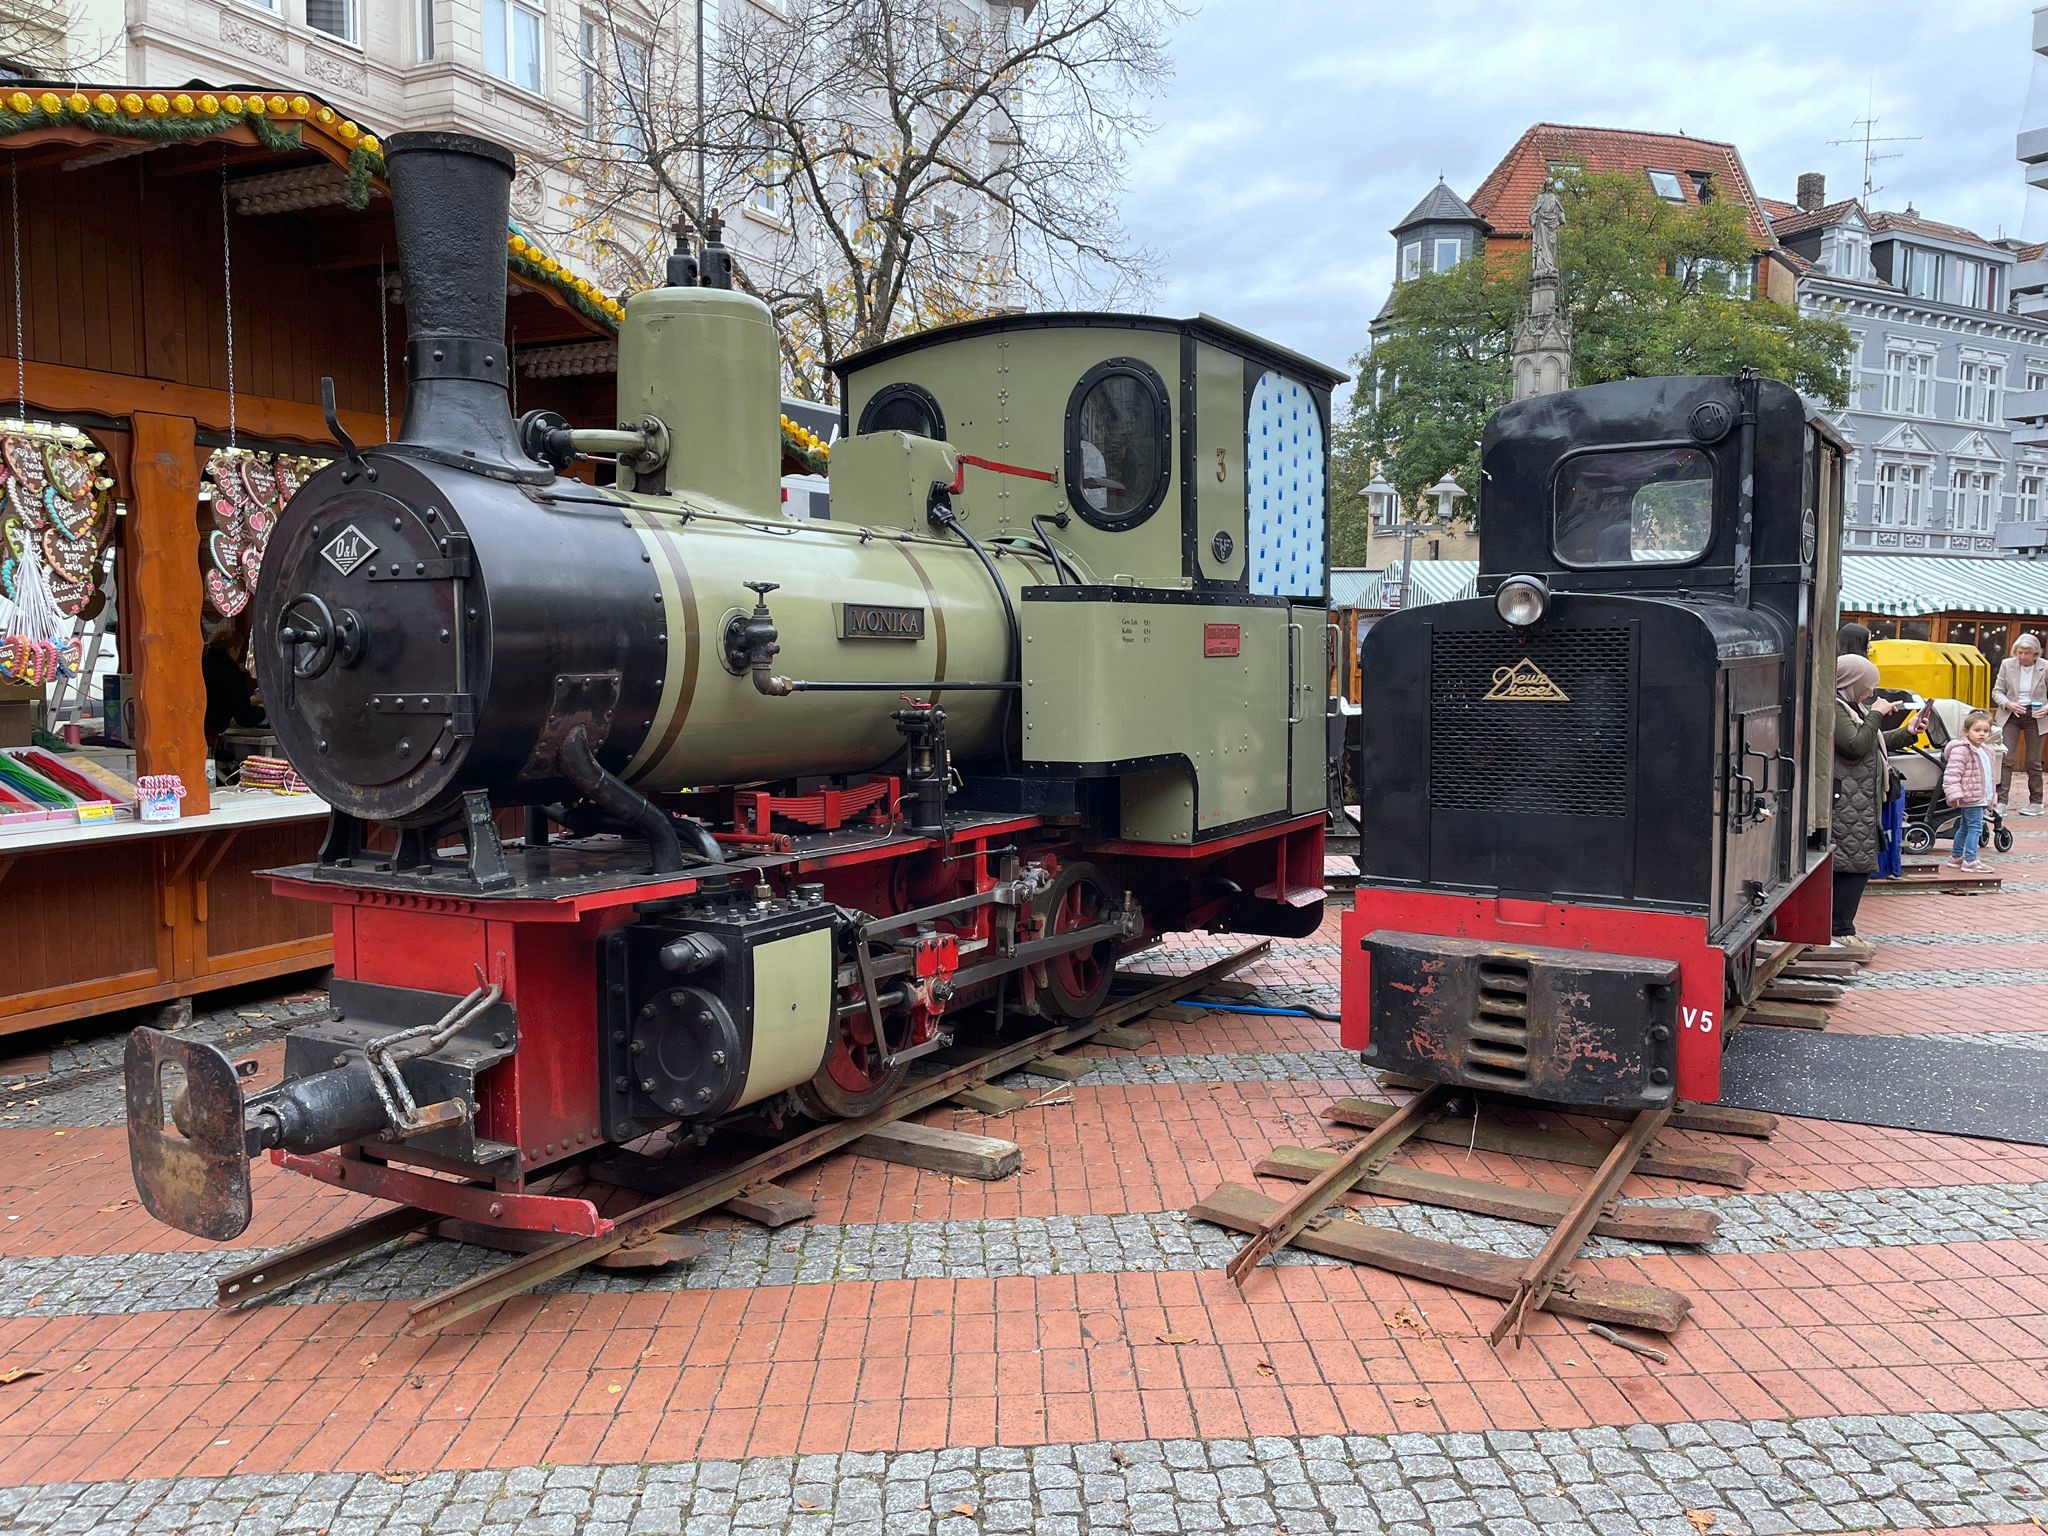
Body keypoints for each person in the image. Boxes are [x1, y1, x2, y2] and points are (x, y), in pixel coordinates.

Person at [1831, 654, 1919, 939]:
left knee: (1858, 862)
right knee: (1852, 864)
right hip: (1846, 801)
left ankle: (1841, 928)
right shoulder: (1835, 708)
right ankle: (1839, 930)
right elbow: (1855, 745)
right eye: (1868, 685)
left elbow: (1872, 743)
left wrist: (1907, 732)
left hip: (1859, 800)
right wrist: (1877, 714)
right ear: (1852, 683)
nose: (1871, 692)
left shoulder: (1852, 707)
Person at [1992, 632, 2048, 815]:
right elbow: (1997, 691)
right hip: (2011, 714)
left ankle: (2036, 802)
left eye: (2027, 653)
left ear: (2035, 654)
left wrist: (2046, 708)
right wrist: (2007, 703)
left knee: (2033, 761)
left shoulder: (2045, 667)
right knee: (2006, 758)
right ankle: (2000, 802)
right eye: (2020, 652)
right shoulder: (2007, 665)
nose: (2023, 656)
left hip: (2036, 715)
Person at [1941, 708, 2000, 873]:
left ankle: (1956, 856)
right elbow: (1952, 774)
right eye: (1977, 730)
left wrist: (1991, 796)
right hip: (1971, 796)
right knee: (1976, 828)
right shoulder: (1962, 750)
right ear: (1966, 732)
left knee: (1965, 827)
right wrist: (1954, 793)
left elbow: (1989, 776)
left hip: (1979, 795)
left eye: (1985, 731)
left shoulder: (1985, 751)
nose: (1982, 734)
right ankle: (1970, 860)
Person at [201, 623, 265, 748]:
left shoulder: (203, 665)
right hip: (210, 732)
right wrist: (263, 710)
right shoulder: (231, 674)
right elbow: (244, 717)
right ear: (232, 650)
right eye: (239, 650)